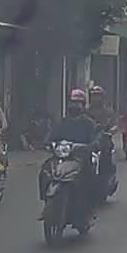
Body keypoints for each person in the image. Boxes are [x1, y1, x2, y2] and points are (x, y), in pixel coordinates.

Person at [40, 88, 101, 220]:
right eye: (73, 103)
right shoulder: (63, 122)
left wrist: (92, 145)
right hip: (61, 157)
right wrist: (47, 142)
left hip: (80, 158)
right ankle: (46, 201)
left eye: (78, 103)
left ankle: (89, 208)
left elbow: (95, 139)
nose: (75, 106)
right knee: (45, 170)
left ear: (83, 105)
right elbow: (51, 135)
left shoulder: (89, 123)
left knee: (89, 175)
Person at [84, 85, 117, 182]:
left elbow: (114, 125)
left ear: (102, 97)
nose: (96, 98)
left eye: (98, 96)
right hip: (88, 140)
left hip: (103, 139)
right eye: (94, 96)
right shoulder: (86, 111)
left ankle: (107, 176)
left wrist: (110, 131)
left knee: (107, 153)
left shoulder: (108, 111)